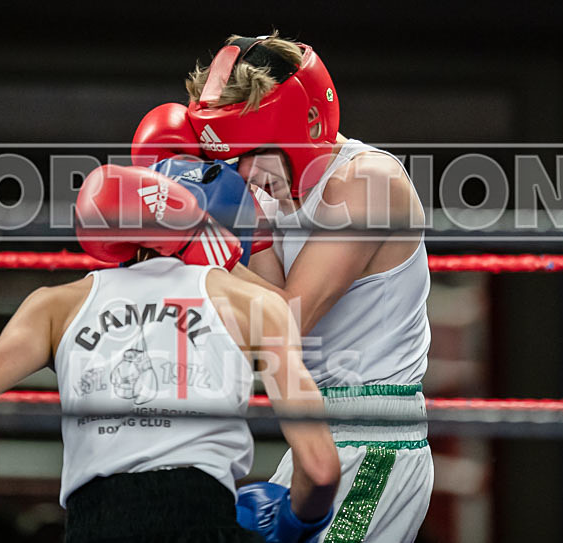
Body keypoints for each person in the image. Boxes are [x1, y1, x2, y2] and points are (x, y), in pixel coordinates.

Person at [0, 164, 340, 543]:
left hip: (93, 527)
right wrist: (295, 523)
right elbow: (319, 469)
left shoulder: (54, 305)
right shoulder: (256, 304)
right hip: (202, 517)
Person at [132, 33, 433, 542]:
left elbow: (287, 322)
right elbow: (258, 320)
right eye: (229, 158)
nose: (242, 173)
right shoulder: (268, 195)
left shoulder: (367, 182)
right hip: (313, 434)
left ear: (301, 127)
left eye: (250, 153)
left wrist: (200, 236)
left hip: (375, 439)